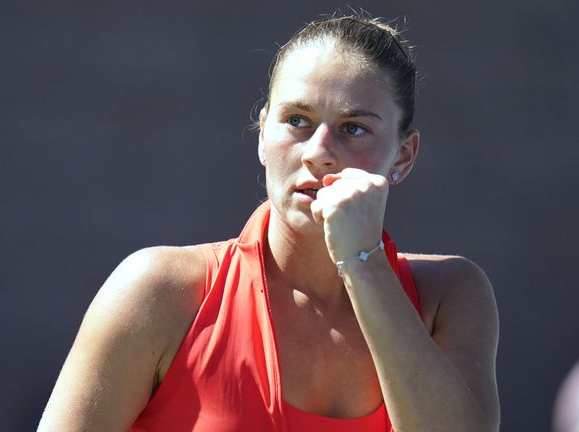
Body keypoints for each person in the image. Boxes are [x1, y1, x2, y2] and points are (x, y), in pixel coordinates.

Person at [38, 14, 500, 432]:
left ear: (403, 156)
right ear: (263, 136)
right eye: (297, 120)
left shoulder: (450, 296)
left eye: (354, 128)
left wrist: (364, 263)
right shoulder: (158, 290)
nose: (319, 152)